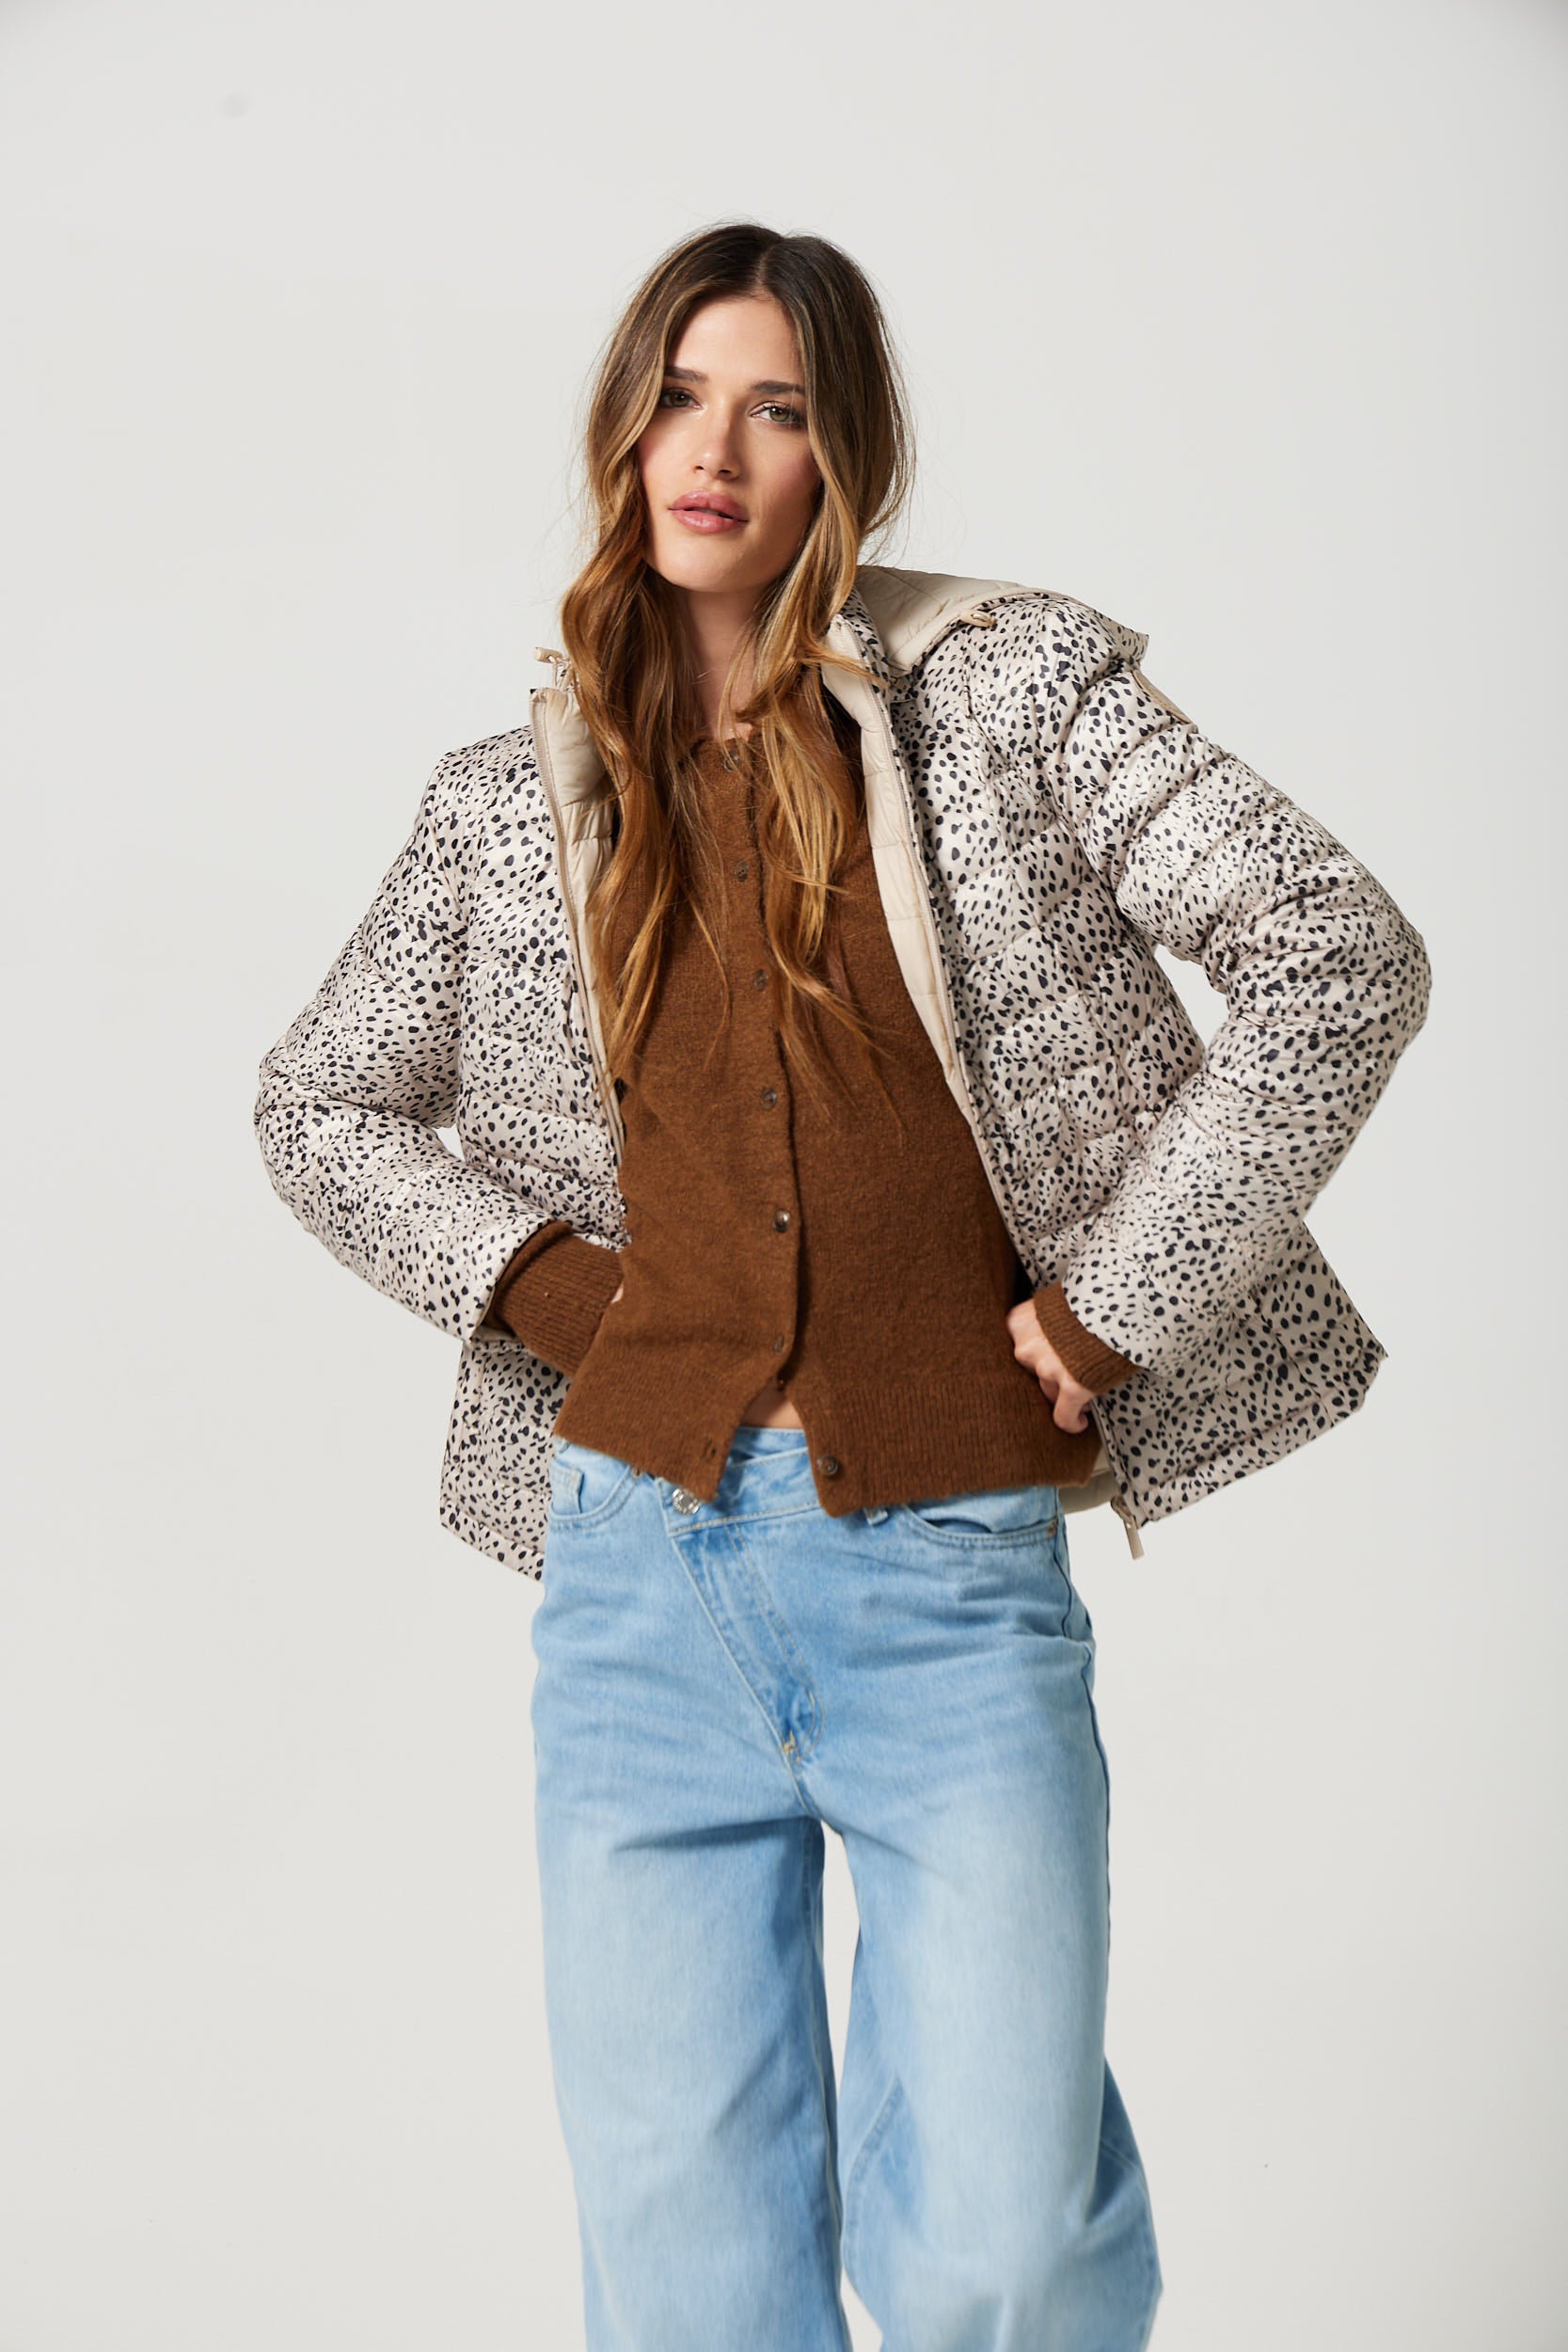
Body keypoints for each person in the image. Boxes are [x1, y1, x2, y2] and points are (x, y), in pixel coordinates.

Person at [254, 220, 1431, 2351]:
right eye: (679, 396)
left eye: (776, 408)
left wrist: (1113, 1306)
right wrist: (550, 1290)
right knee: (691, 2284)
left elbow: (1335, 955)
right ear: (623, 431)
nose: (714, 450)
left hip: (945, 1571)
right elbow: (317, 1105)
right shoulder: (505, 806)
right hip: (634, 1584)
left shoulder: (1010, 695)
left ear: (844, 458)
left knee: (1001, 2246)